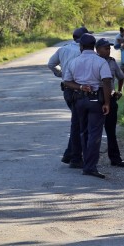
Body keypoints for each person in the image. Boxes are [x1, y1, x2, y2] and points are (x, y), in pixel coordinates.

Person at [62, 34, 113, 179]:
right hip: (96, 101)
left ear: (81, 46)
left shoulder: (74, 61)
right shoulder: (101, 62)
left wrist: (80, 86)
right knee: (94, 134)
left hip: (79, 101)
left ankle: (85, 163)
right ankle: (90, 166)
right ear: (94, 46)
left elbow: (67, 81)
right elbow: (107, 82)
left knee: (83, 132)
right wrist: (107, 103)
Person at [47, 26, 90, 168]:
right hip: (79, 89)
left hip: (67, 89)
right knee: (79, 124)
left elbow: (51, 64)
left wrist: (62, 75)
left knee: (77, 121)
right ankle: (75, 157)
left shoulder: (63, 49)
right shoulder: (84, 51)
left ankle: (70, 154)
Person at [95, 38, 124, 167]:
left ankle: (115, 158)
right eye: (105, 48)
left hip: (111, 98)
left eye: (109, 48)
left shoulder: (112, 62)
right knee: (94, 131)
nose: (108, 51)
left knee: (111, 131)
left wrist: (119, 91)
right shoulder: (94, 62)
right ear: (97, 50)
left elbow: (121, 77)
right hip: (97, 98)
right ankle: (90, 159)